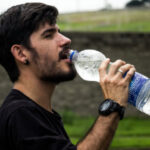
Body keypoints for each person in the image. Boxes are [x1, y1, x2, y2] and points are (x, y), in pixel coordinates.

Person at [0, 2, 135, 150]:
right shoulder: (20, 114)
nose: (66, 40)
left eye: (59, 32)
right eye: (48, 35)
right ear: (21, 53)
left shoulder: (39, 113)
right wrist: (112, 106)